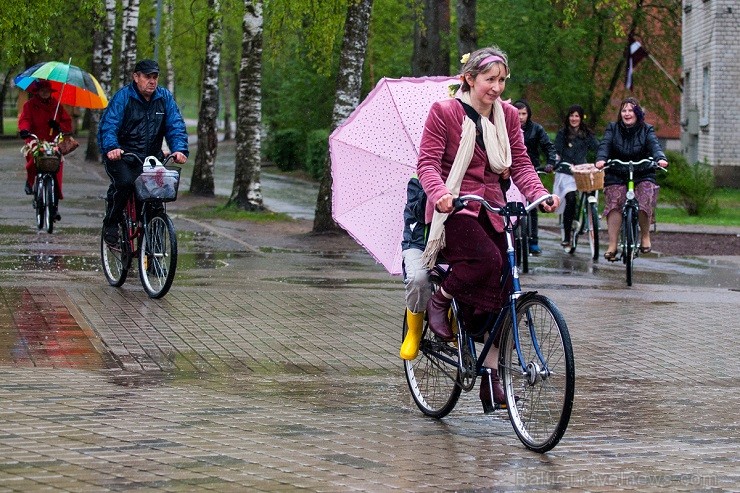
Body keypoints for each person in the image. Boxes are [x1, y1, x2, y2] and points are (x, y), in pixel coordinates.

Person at [416, 47, 559, 412]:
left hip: (493, 208)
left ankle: (490, 375)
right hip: (456, 209)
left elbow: (522, 162)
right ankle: (442, 299)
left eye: (501, 80)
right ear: (469, 79)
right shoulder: (444, 113)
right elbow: (427, 164)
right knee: (486, 260)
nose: (496, 88)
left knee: (507, 282)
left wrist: (539, 193)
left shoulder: (509, 116)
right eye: (489, 80)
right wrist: (442, 194)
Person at [98, 59, 189, 245]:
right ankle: (112, 222)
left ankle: (152, 251)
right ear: (136, 77)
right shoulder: (123, 97)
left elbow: (175, 125)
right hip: (124, 156)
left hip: (151, 159)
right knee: (124, 184)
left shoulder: (164, 98)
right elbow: (109, 126)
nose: (152, 81)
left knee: (157, 197)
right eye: (147, 77)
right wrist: (112, 148)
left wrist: (179, 149)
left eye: (155, 77)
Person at [595, 97, 668, 260]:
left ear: (637, 113)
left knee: (644, 199)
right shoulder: (612, 129)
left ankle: (645, 236)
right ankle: (613, 244)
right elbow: (605, 145)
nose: (627, 113)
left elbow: (655, 146)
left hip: (643, 172)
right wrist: (601, 159)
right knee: (614, 202)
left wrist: (659, 158)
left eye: (631, 110)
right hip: (617, 172)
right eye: (624, 110)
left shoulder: (647, 129)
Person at [18, 79, 73, 220]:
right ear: (37, 91)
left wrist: (58, 126)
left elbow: (67, 123)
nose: (44, 93)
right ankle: (30, 181)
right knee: (33, 158)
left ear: (50, 92)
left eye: (47, 91)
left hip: (53, 141)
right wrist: (24, 130)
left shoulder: (57, 105)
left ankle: (54, 205)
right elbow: (25, 120)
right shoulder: (29, 105)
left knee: (57, 165)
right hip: (35, 139)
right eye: (42, 90)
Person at [513, 100, 557, 255]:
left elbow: (548, 147)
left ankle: (533, 241)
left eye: (524, 114)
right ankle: (512, 237)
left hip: (533, 169)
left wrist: (550, 163)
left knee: (533, 207)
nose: (521, 117)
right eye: (518, 114)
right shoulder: (508, 128)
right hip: (511, 171)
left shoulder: (537, 129)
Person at [553, 104, 600, 247]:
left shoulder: (587, 134)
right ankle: (567, 236)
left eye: (577, 116)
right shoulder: (563, 134)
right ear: (568, 117)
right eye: (571, 115)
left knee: (591, 191)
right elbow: (556, 152)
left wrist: (602, 160)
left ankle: (588, 217)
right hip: (566, 171)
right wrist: (554, 162)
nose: (574, 118)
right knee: (571, 198)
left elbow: (597, 147)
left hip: (581, 171)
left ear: (581, 118)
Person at [399, 176, 430, 361]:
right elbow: (419, 212)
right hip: (418, 244)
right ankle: (414, 330)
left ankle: (454, 321)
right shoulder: (416, 181)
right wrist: (434, 188)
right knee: (418, 279)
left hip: (452, 244)